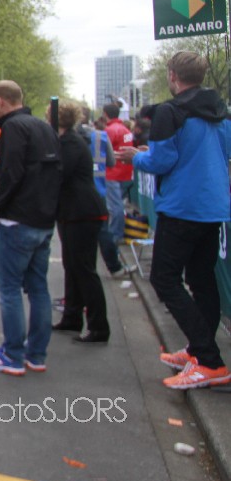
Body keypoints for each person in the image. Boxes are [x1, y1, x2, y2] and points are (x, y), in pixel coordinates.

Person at [116, 51, 231, 389]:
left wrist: (138, 158)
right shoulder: (219, 109)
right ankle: (198, 350)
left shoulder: (170, 111)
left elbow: (162, 162)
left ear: (172, 75)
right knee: (201, 278)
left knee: (164, 279)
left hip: (182, 206)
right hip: (213, 206)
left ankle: (209, 359)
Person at [0, 80, 61, 376]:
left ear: (0, 101)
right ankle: (36, 353)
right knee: (38, 288)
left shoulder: (12, 129)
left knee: (8, 287)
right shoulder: (45, 128)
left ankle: (12, 354)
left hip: (18, 220)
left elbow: (11, 175)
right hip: (44, 219)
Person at [50, 100, 111, 344]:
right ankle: (72, 316)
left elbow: (59, 173)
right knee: (72, 265)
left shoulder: (70, 143)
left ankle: (99, 326)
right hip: (72, 211)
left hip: (82, 211)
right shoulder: (68, 141)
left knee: (84, 269)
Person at [99, 102, 135, 275]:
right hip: (125, 172)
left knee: (115, 207)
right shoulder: (126, 130)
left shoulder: (109, 131)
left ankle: (114, 237)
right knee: (118, 205)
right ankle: (117, 235)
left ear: (105, 114)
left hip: (112, 173)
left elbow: (103, 153)